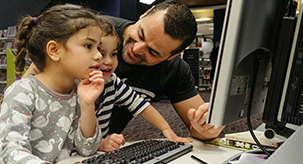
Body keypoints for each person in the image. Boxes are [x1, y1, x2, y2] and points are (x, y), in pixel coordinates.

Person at [25, 1, 224, 141]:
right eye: (140, 34)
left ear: (173, 55)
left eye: (153, 52)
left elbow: (201, 127)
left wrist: (208, 126)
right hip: (49, 138)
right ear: (146, 13)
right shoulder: (93, 30)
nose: (136, 49)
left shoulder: (172, 71)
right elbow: (30, 85)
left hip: (92, 144)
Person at [0, 5, 105, 163]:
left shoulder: (78, 91)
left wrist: (87, 104)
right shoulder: (23, 92)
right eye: (89, 46)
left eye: (98, 47)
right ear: (54, 50)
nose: (99, 55)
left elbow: (87, 149)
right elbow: (10, 152)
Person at [94, 18, 191, 152]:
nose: (108, 61)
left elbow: (139, 103)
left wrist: (166, 129)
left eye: (114, 54)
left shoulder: (112, 81)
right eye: (100, 53)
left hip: (95, 152)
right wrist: (98, 144)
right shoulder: (74, 84)